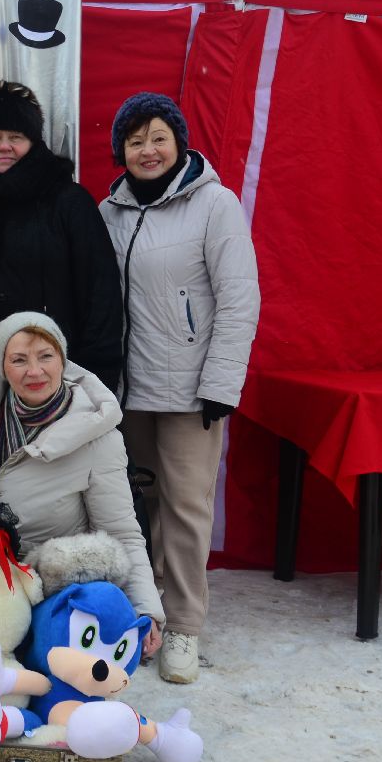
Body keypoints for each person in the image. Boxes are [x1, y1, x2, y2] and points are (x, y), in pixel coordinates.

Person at [101, 92, 260, 684]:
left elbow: (239, 298)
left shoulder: (214, 205)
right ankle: (148, 614)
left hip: (192, 390)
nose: (147, 150)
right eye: (135, 140)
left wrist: (221, 382)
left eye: (157, 137)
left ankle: (185, 626)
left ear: (179, 143)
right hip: (127, 389)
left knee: (187, 509)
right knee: (135, 507)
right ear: (120, 149)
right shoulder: (107, 212)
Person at [0, 312, 164, 649]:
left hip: (53, 590)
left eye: (46, 356)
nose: (34, 371)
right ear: (3, 367)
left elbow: (121, 530)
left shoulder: (97, 436)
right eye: (19, 360)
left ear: (62, 360)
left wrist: (145, 609)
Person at [0, 81, 123, 406]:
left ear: (33, 143)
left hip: (56, 381)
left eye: (16, 137)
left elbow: (100, 296)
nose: (4, 147)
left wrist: (96, 381)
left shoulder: (69, 202)